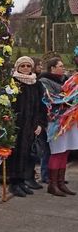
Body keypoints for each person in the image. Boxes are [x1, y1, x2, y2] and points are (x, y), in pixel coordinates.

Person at [7, 56, 47, 197]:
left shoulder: (36, 84)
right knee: (16, 153)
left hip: (31, 125)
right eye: (22, 66)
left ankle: (22, 180)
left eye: (28, 66)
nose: (25, 68)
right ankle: (14, 183)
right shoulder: (13, 83)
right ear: (17, 67)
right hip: (16, 125)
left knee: (26, 154)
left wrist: (41, 124)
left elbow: (42, 106)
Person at [39, 58, 76, 196]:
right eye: (60, 66)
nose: (63, 68)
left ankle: (60, 182)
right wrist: (69, 97)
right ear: (52, 68)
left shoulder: (65, 80)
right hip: (54, 122)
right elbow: (50, 99)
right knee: (57, 151)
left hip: (67, 121)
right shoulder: (44, 82)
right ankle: (52, 184)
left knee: (65, 151)